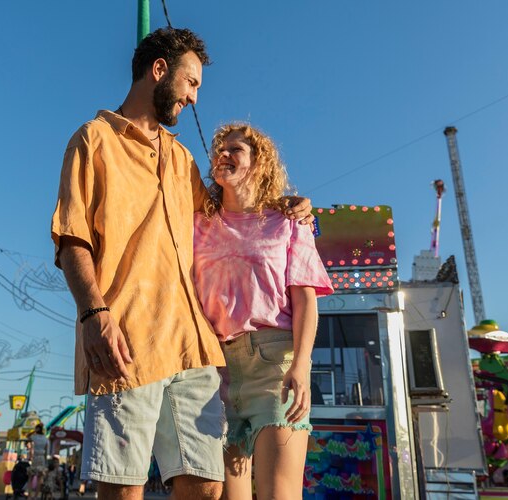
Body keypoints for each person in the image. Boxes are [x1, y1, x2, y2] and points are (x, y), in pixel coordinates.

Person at [51, 27, 314, 500]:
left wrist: (286, 205)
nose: (193, 97)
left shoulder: (182, 160)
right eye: (190, 83)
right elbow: (72, 238)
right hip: (124, 341)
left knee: (207, 486)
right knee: (124, 488)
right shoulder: (93, 141)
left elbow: (231, 216)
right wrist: (93, 314)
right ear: (159, 71)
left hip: (194, 349)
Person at [192, 123, 334, 499]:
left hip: (275, 365)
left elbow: (305, 300)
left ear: (260, 163)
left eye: (235, 149)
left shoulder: (289, 223)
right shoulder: (196, 223)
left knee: (279, 494)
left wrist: (301, 366)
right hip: (213, 368)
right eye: (219, 148)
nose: (223, 153)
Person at [28, 424, 49, 500]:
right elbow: (46, 450)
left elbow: (28, 436)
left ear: (37, 429)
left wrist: (34, 431)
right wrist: (46, 461)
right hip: (42, 458)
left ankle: (29, 495)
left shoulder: (34, 437)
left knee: (31, 477)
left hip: (35, 457)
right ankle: (36, 496)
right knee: (40, 478)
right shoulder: (45, 438)